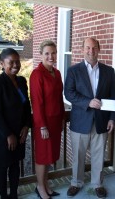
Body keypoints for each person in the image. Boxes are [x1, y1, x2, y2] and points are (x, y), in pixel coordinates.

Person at [64, 37, 115, 198]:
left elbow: (114, 96)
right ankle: (76, 182)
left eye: (94, 48)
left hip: (101, 121)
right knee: (78, 156)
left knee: (98, 155)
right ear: (82, 50)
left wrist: (112, 118)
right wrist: (88, 102)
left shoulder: (109, 71)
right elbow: (69, 93)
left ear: (99, 49)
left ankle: (97, 183)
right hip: (80, 121)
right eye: (88, 48)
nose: (91, 51)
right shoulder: (73, 70)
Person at [0, 48, 32, 199]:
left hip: (19, 134)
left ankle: (13, 195)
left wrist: (26, 126)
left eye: (17, 61)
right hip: (2, 136)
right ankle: (4, 197)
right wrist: (8, 135)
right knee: (2, 168)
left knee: (15, 166)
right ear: (2, 63)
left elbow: (27, 106)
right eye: (11, 62)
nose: (15, 65)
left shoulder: (21, 81)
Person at [30, 40, 65, 199]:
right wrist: (42, 126)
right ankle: (40, 186)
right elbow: (37, 103)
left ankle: (46, 184)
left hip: (56, 122)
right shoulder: (37, 74)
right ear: (41, 55)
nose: (51, 56)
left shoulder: (56, 73)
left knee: (50, 155)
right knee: (43, 156)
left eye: (53, 53)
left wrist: (63, 119)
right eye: (47, 53)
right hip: (43, 123)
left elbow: (59, 99)